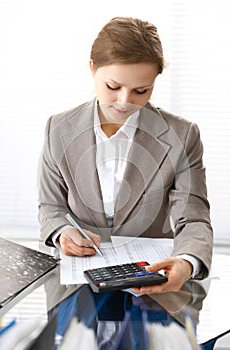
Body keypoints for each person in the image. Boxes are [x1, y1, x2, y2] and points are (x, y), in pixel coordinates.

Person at [38, 16, 213, 295]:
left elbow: (193, 218)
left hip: (152, 284)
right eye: (113, 87)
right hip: (78, 285)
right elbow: (51, 206)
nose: (125, 102)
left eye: (141, 91)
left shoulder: (183, 135)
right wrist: (61, 232)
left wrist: (187, 261)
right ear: (92, 68)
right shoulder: (58, 128)